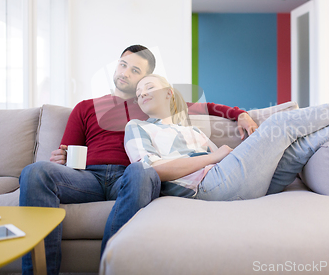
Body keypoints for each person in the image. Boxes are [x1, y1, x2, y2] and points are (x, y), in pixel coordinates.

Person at [18, 45, 259, 275]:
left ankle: (110, 267)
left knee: (141, 170)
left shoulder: (151, 102)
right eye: (123, 65)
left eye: (135, 71)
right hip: (87, 177)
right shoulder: (85, 107)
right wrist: (61, 157)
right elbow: (68, 152)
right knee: (34, 172)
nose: (125, 73)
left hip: (131, 176)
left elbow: (208, 107)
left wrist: (241, 114)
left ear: (146, 78)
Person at [124, 58, 329, 201]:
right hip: (207, 189)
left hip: (235, 180)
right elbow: (153, 170)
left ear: (169, 94)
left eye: (149, 86)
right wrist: (215, 157)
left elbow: (219, 114)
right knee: (279, 125)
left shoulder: (192, 130)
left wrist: (240, 124)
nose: (141, 94)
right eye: (138, 93)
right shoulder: (136, 127)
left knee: (301, 148)